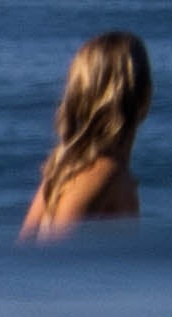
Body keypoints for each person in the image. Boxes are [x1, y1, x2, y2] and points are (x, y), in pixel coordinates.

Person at [19, 30, 151, 242]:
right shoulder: (105, 175)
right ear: (144, 94)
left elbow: (24, 248)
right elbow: (54, 260)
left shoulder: (67, 167)